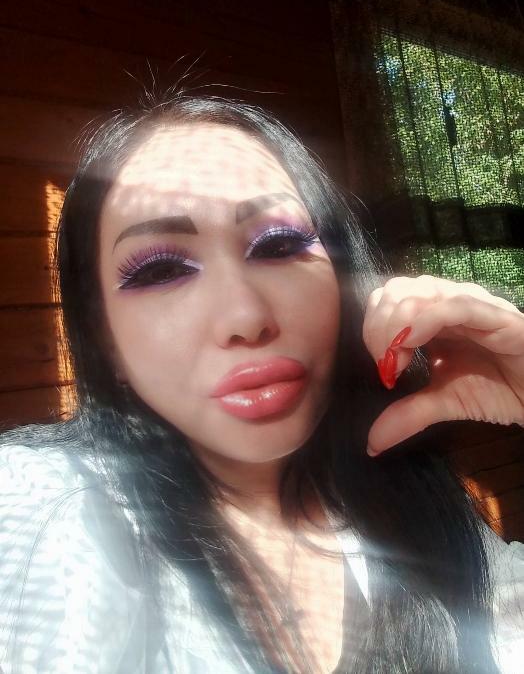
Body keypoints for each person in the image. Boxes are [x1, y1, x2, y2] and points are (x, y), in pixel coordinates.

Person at [0, 92, 523, 674]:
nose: (246, 318)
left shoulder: (414, 509)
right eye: (161, 269)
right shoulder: (46, 507)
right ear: (105, 342)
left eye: (278, 245)